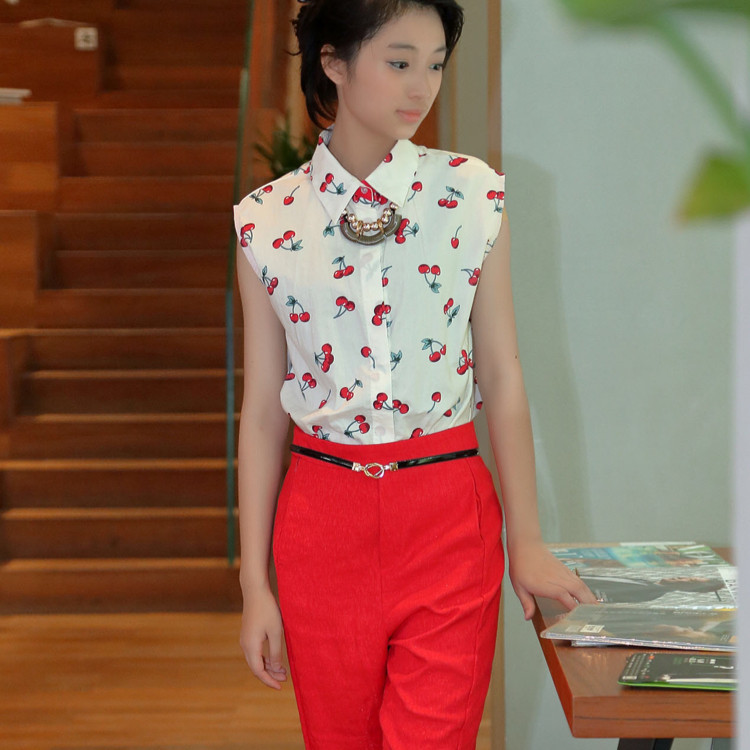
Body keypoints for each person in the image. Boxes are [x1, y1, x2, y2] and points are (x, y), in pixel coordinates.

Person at [233, 1, 596, 747]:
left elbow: (503, 373)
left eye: (434, 65)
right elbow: (264, 412)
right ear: (334, 63)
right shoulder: (264, 219)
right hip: (320, 524)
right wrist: (253, 585)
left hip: (448, 515)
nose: (421, 87)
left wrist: (526, 540)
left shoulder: (472, 196)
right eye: (399, 62)